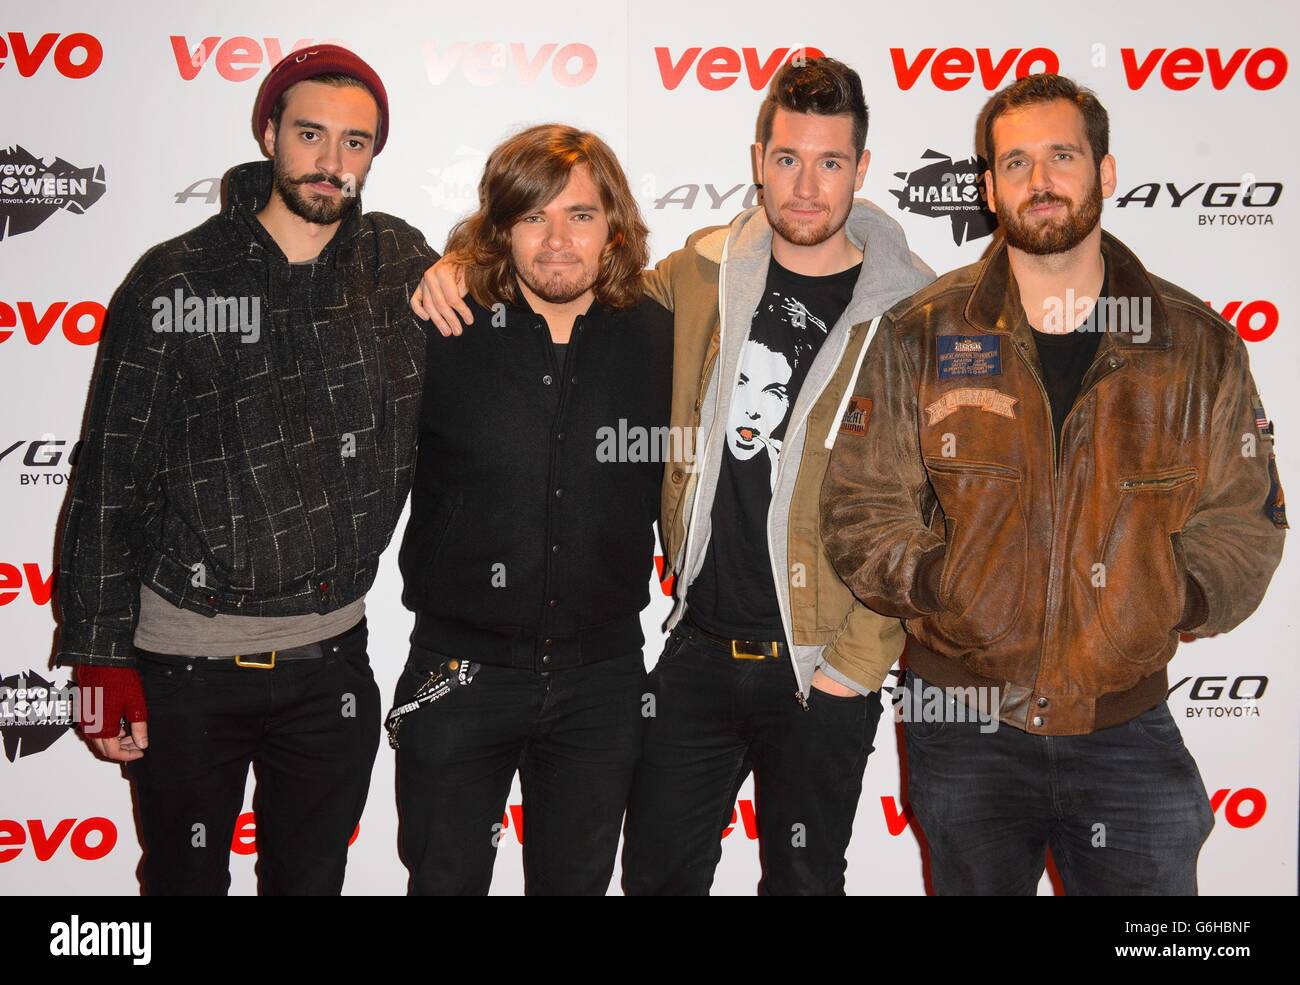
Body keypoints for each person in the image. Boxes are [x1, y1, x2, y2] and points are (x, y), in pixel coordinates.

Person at [412, 56, 934, 895]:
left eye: (831, 162)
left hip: (820, 666)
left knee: (806, 879)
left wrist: (859, 662)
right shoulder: (695, 280)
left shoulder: (913, 313)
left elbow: (928, 502)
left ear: (861, 170)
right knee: (655, 875)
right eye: (788, 159)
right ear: (758, 158)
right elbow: (556, 263)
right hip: (692, 656)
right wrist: (456, 261)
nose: (806, 186)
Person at [820, 73, 1286, 895]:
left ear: (1104, 174)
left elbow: (1246, 520)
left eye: (1062, 156)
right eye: (1017, 163)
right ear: (990, 188)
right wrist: (943, 580)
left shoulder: (1193, 344)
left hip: (1126, 725)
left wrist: (1168, 594)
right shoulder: (920, 334)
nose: (1041, 181)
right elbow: (861, 511)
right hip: (963, 723)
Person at [56, 45, 437, 895]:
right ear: (268, 131)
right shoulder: (178, 276)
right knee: (183, 882)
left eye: (355, 142)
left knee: (310, 880)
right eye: (310, 134)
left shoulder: (399, 268)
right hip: (182, 665)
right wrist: (95, 659)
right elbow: (110, 474)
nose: (331, 162)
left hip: (331, 663)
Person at [391, 124, 673, 895]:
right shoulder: (444, 323)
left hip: (603, 679)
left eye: (579, 215)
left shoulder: (659, 333)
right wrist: (444, 267)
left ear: (613, 224)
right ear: (501, 227)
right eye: (532, 216)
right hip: (458, 673)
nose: (556, 240)